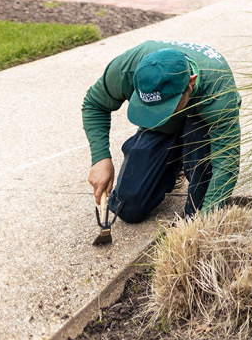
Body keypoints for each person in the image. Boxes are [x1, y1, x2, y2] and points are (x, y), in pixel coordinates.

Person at [82, 40, 241, 222]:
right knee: (128, 208)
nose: (159, 112)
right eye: (151, 107)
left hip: (202, 125)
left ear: (191, 82)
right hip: (163, 129)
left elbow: (226, 164)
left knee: (196, 213)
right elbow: (95, 104)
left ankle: (187, 158)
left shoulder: (218, 90)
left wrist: (206, 222)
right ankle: (175, 164)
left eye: (166, 107)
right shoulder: (128, 67)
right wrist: (100, 158)